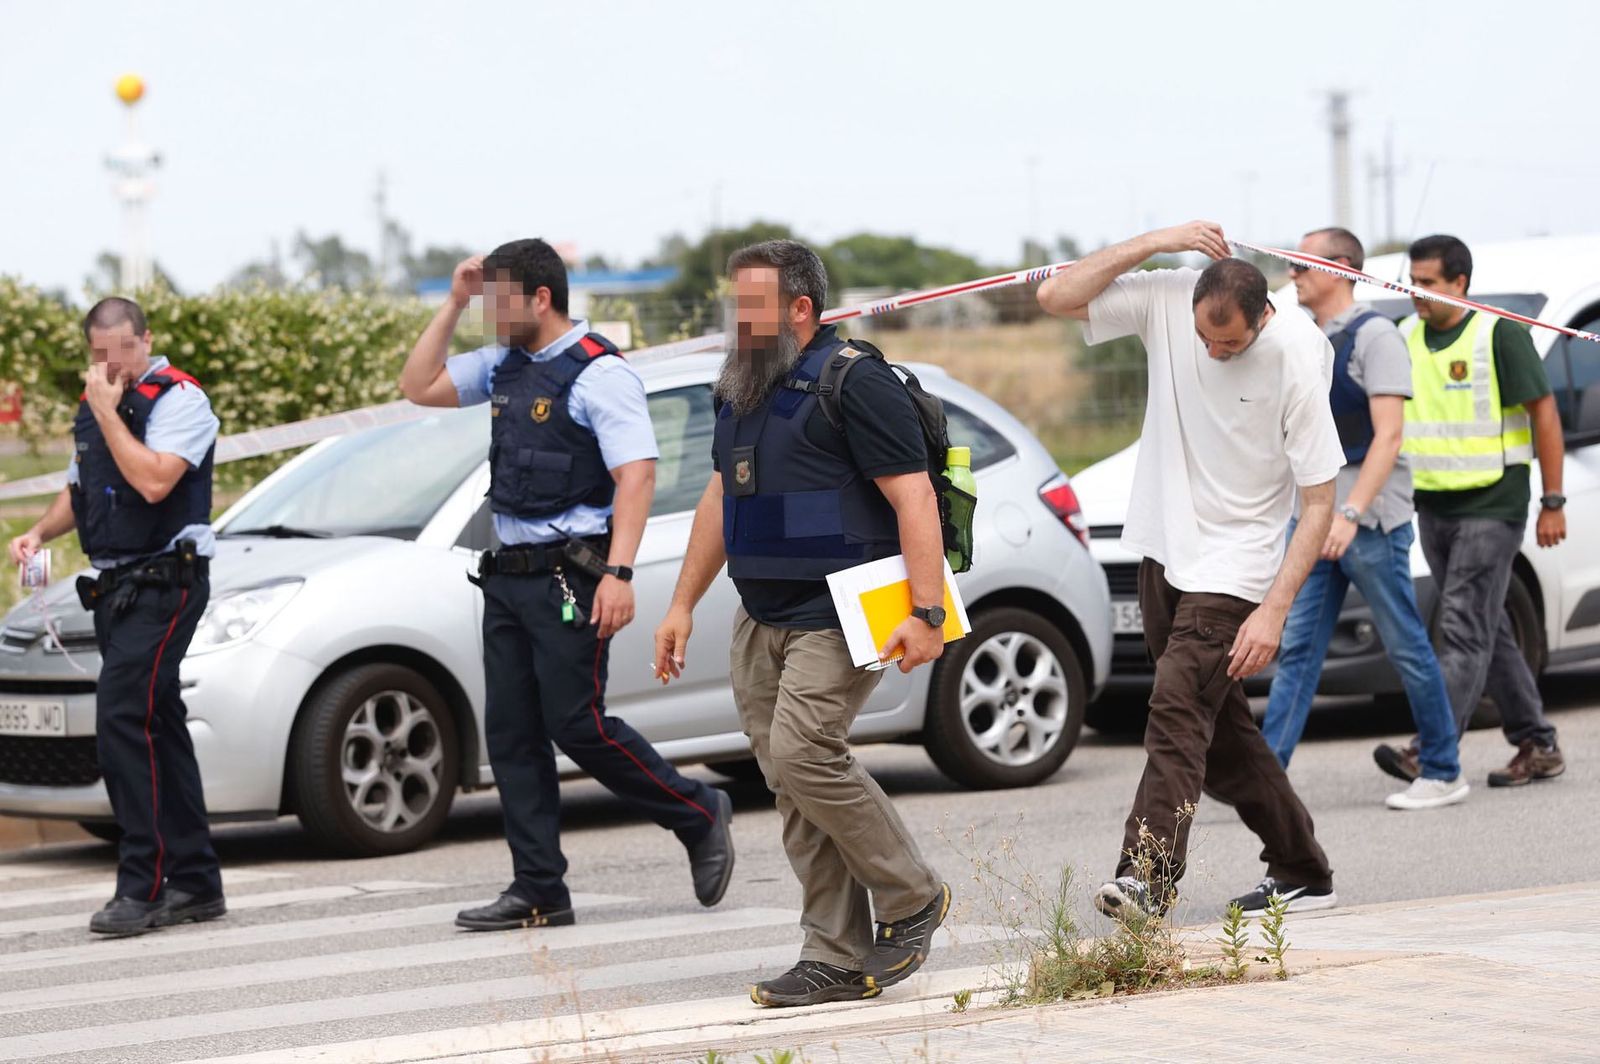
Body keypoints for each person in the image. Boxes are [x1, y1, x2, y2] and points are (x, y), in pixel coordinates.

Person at [399, 238, 734, 932]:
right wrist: (454, 301)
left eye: (496, 301)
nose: (488, 315)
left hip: (570, 576)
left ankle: (699, 812)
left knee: (577, 724)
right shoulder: (503, 365)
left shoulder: (597, 375)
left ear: (540, 299)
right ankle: (539, 888)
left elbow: (635, 474)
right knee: (513, 736)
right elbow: (418, 385)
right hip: (508, 577)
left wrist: (619, 572)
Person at [653, 239, 950, 1008]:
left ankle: (912, 894)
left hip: (842, 612)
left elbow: (914, 498)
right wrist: (682, 604)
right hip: (763, 614)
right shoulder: (738, 389)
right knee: (790, 782)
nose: (737, 319)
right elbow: (721, 498)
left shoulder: (856, 381)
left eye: (751, 304)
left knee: (806, 752)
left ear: (800, 309)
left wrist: (926, 614)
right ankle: (835, 954)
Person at [1037, 222, 1342, 919]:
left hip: (1236, 568)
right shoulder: (1171, 297)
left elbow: (1320, 500)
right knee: (1224, 735)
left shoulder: (1297, 354)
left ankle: (1147, 877)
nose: (1213, 350)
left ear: (1263, 317)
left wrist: (1274, 608)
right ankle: (1301, 867)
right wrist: (1155, 239)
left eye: (1228, 343)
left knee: (1176, 710)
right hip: (1164, 551)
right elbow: (1057, 295)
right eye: (1205, 338)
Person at [8, 297, 224, 936]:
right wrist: (40, 533)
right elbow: (81, 486)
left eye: (122, 350)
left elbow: (155, 481)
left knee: (121, 718)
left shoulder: (181, 399)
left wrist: (105, 411)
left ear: (145, 339)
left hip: (168, 583)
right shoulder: (97, 407)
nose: (111, 364)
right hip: (119, 586)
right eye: (99, 354)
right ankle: (196, 882)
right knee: (157, 725)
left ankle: (144, 886)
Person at [1260, 227, 1465, 811]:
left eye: (1302, 263)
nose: (1293, 273)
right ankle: (1267, 774)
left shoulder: (1376, 337)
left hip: (1367, 521)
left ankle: (1444, 768)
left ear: (1341, 267)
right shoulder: (1304, 336)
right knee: (1298, 647)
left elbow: (1388, 436)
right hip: (1316, 518)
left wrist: (1349, 513)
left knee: (1404, 644)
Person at [1371, 235, 1567, 788]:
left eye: (1429, 283)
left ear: (1461, 283)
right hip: (1433, 506)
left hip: (1494, 503)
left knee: (1460, 628)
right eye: (1413, 282)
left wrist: (1553, 501)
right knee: (1489, 628)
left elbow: (1545, 414)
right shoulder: (1405, 337)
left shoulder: (1499, 333)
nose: (1418, 293)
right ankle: (1538, 742)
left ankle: (1429, 749)